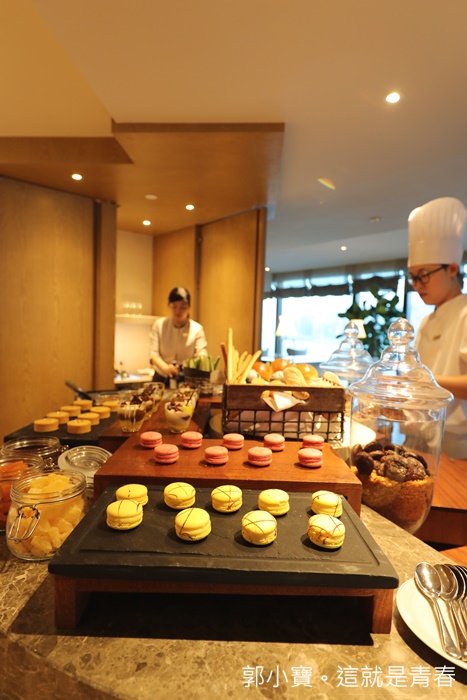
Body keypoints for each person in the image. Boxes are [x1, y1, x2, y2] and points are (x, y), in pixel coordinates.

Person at [408, 196, 467, 458]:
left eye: (424, 275)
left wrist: (421, 379)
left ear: (452, 269)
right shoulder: (425, 321)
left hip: (458, 448)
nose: (418, 285)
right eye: (413, 277)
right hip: (418, 441)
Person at [149, 287, 208, 384]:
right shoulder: (159, 325)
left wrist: (189, 365)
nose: (178, 310)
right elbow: (153, 355)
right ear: (169, 306)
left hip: (186, 379)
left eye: (183, 307)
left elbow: (202, 356)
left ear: (189, 307)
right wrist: (166, 368)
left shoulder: (197, 329)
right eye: (174, 306)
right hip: (161, 378)